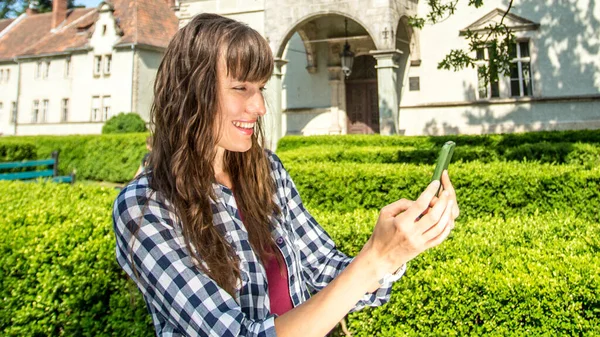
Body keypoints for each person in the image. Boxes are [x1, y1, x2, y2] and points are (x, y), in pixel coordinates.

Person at [112, 13, 459, 337]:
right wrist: (374, 261)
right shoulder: (145, 208)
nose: (260, 106)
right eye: (240, 88)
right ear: (190, 92)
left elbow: (325, 271)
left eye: (261, 88)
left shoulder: (267, 170)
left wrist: (396, 247)